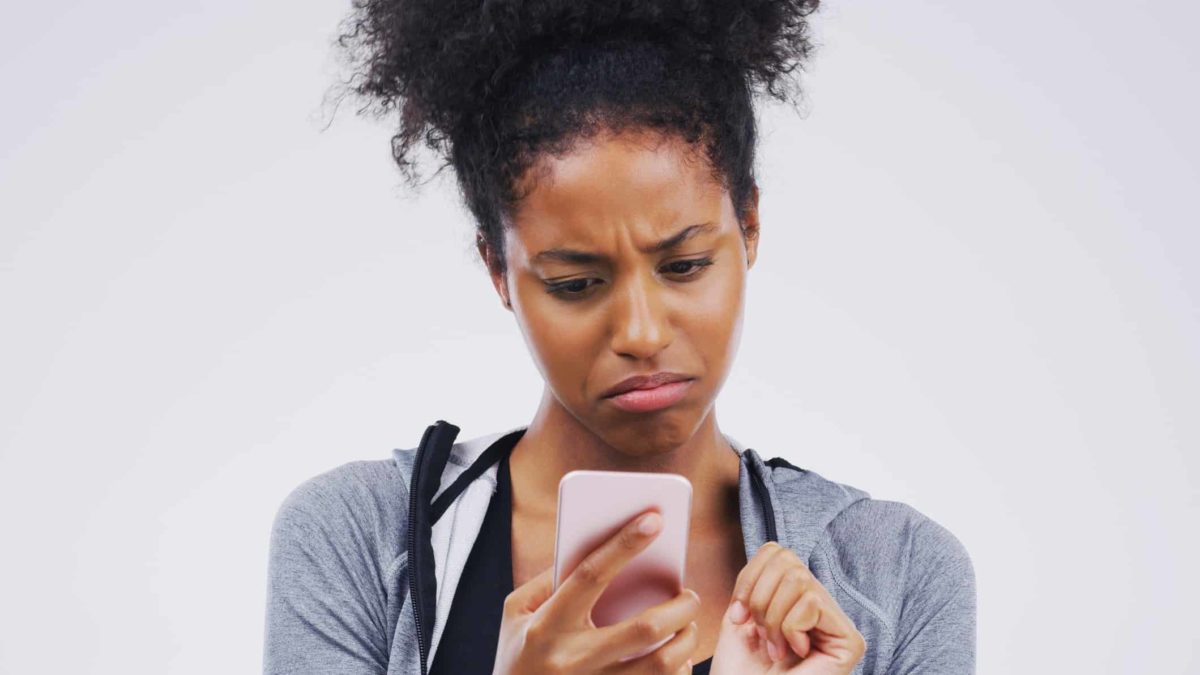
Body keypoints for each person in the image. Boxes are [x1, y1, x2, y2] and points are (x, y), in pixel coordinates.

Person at [263, 1, 977, 673]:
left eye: (686, 265)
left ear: (749, 226)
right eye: (576, 283)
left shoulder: (899, 572)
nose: (640, 332)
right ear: (498, 269)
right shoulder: (355, 537)